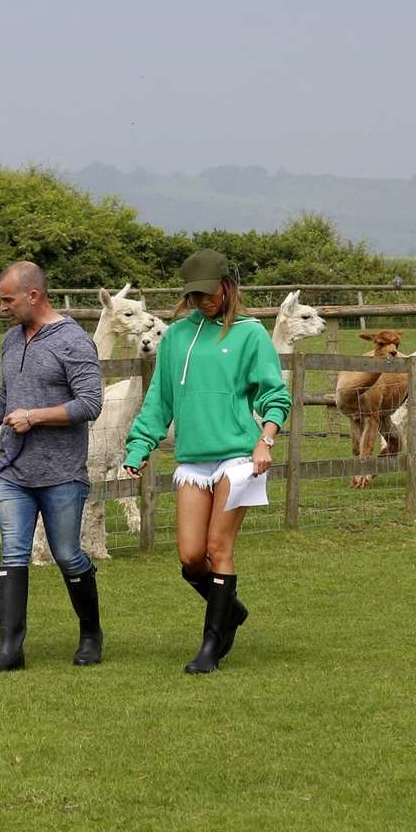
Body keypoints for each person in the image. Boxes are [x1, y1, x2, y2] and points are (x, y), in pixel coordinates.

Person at [122, 250, 291, 674]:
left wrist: (265, 440)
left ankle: (211, 645)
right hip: (193, 462)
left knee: (219, 548)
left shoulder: (252, 334)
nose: (202, 301)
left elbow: (275, 394)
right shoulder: (176, 337)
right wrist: (138, 449)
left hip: (239, 456)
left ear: (227, 285)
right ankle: (229, 608)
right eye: (194, 295)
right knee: (191, 556)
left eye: (208, 292)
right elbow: (158, 401)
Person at [0, 261, 104, 672]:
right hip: (13, 472)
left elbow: (90, 404)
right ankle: (10, 649)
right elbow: (5, 399)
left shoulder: (74, 342)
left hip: (61, 473)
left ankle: (90, 634)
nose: (2, 308)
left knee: (67, 555)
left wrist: (35, 416)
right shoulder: (12, 339)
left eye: (7, 300)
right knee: (13, 552)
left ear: (33, 295)